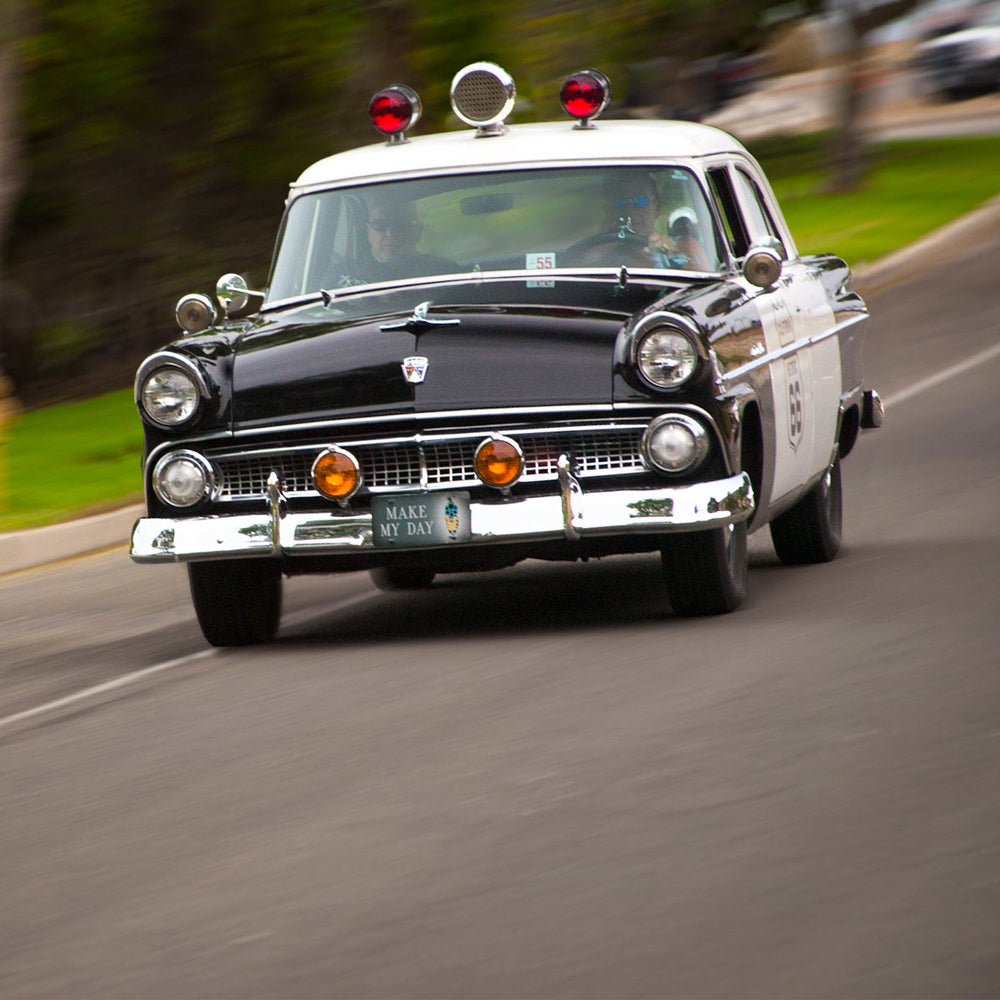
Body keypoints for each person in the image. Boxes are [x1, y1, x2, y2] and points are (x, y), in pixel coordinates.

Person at [355, 195, 457, 282]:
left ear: (417, 232)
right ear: (367, 230)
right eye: (380, 225)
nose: (390, 234)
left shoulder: (444, 273)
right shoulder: (346, 276)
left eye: (400, 225)